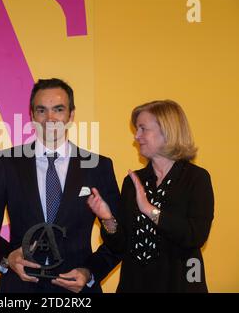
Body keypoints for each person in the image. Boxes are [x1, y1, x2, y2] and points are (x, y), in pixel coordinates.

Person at [0, 78, 120, 293]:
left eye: (58, 109)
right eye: (42, 110)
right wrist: (8, 257)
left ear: (71, 115)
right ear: (31, 115)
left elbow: (120, 238)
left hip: (77, 291)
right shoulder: (9, 162)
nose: (50, 118)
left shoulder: (98, 166)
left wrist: (90, 272)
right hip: (20, 289)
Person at [86, 99, 214, 292]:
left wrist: (150, 210)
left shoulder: (196, 178)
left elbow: (194, 236)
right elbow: (119, 245)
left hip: (180, 285)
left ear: (167, 130)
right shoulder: (133, 181)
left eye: (143, 129)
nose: (136, 137)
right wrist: (107, 219)